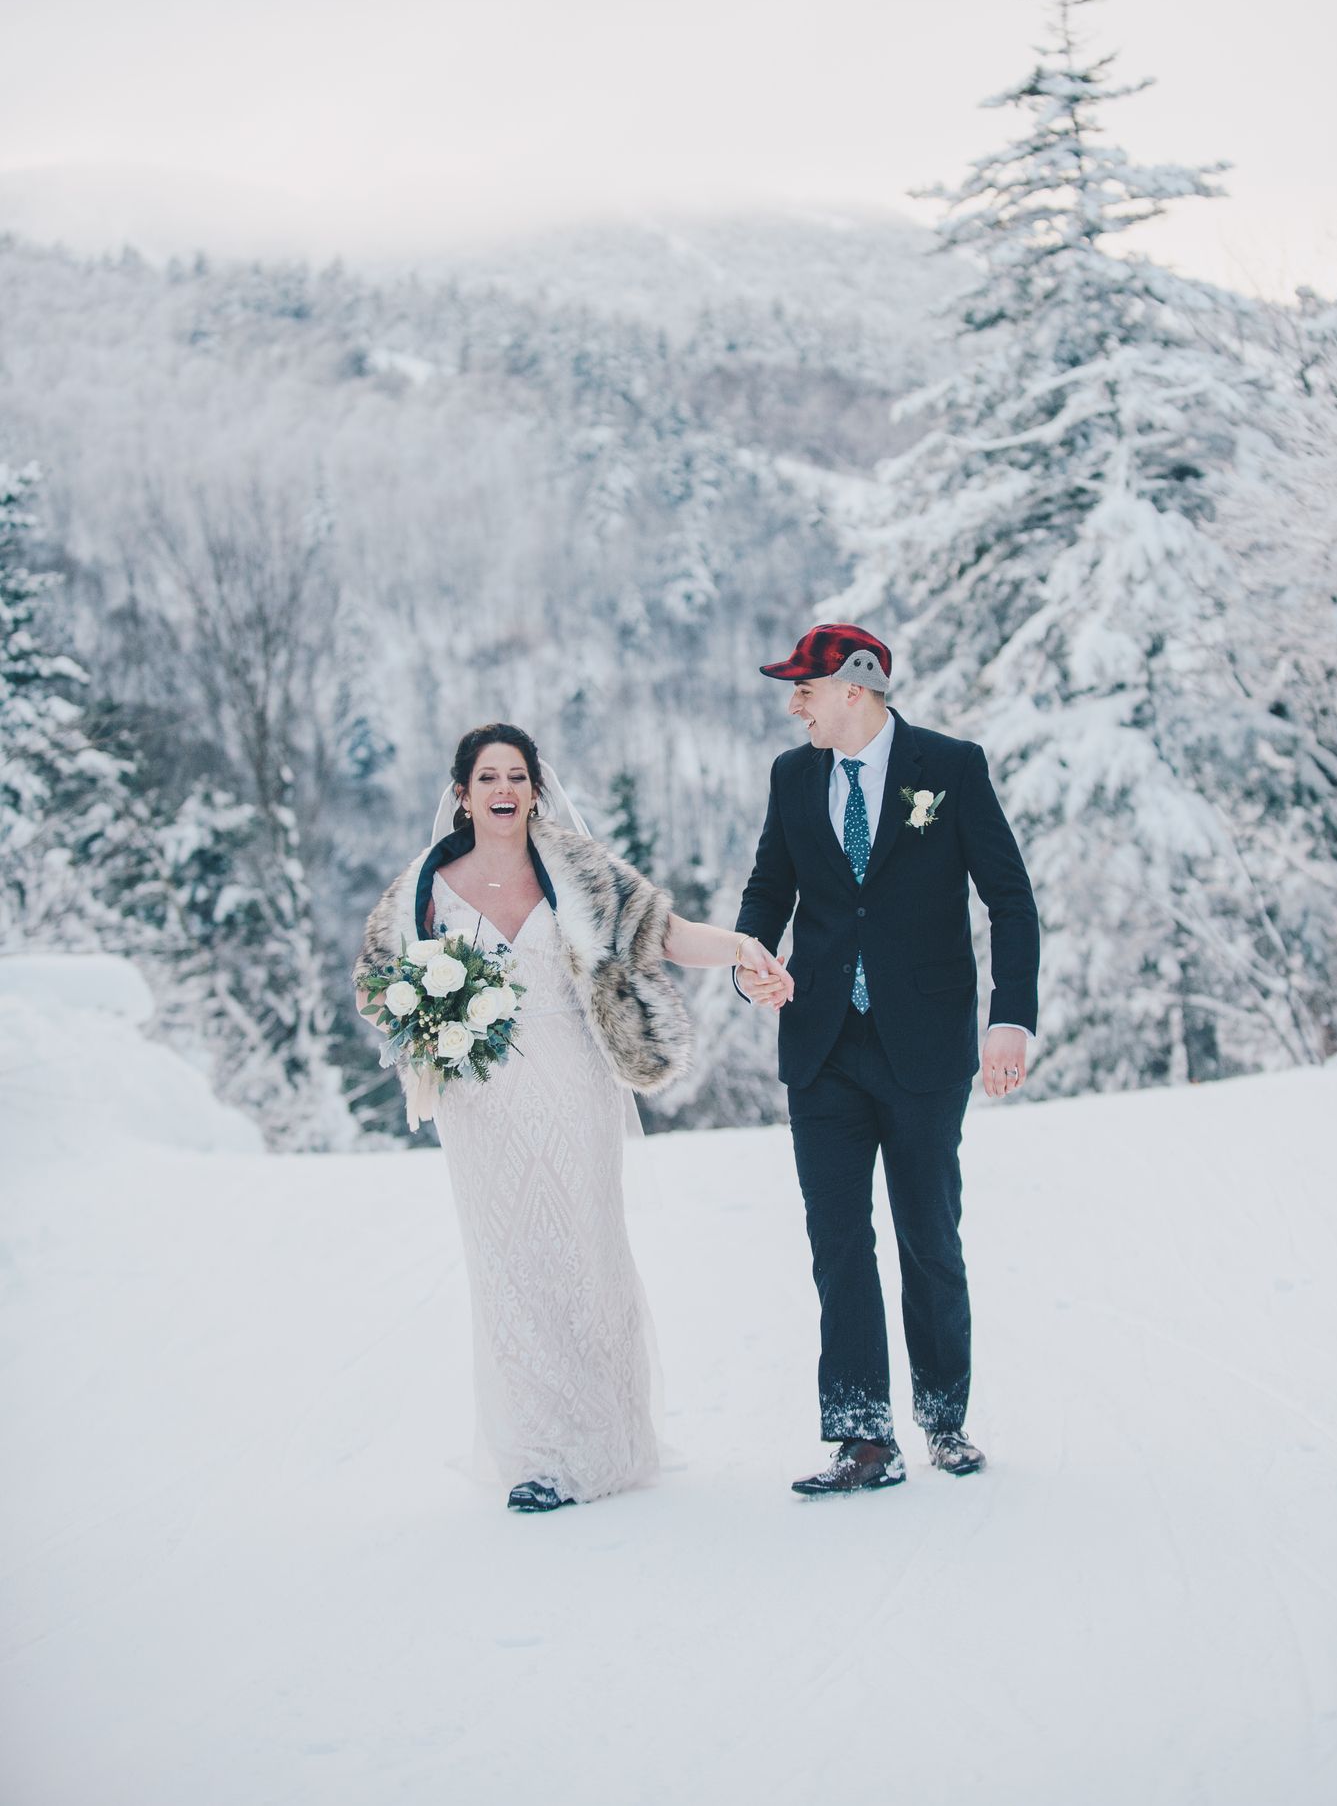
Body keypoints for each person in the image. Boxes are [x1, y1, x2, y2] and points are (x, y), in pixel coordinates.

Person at [355, 721, 791, 1514]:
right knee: (508, 1261)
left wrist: (740, 948)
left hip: (575, 1083)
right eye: (488, 778)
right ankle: (536, 1455)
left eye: (516, 776)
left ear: (536, 789)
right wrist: (429, 1019)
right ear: (462, 794)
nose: (503, 791)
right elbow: (376, 984)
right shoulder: (423, 887)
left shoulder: (577, 869)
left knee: (587, 1247)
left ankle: (607, 1440)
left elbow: (664, 934)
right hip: (479, 1100)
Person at [734, 626, 1039, 1496]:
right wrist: (750, 961)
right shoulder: (793, 777)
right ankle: (864, 1436)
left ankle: (943, 1419)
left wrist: (1009, 1019)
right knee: (837, 1245)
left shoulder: (952, 767)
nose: (795, 707)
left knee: (928, 1238)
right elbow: (769, 888)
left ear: (855, 687)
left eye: (804, 689)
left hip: (926, 1046)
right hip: (822, 1046)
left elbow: (1010, 901)